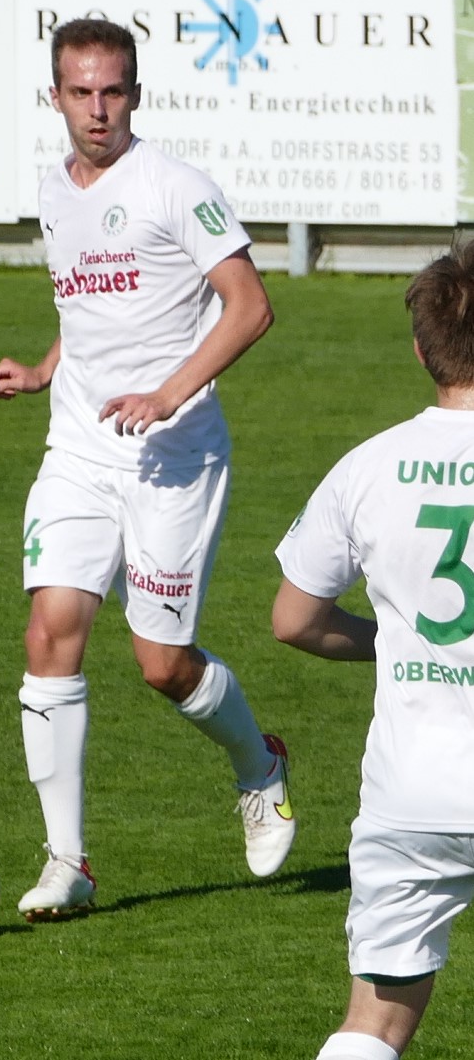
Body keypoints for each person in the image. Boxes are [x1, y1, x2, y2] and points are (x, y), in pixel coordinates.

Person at [0, 17, 296, 921]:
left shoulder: (175, 187)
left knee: (161, 663)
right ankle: (68, 862)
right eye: (81, 92)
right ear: (55, 96)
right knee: (51, 629)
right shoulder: (54, 189)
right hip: (79, 449)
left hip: (173, 455)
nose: (98, 109)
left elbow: (250, 306)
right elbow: (84, 308)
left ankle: (259, 765)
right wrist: (44, 371)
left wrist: (167, 394)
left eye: (113, 91)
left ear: (136, 95)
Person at [272, 243, 474, 1059]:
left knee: (373, 1025)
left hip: (410, 794)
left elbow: (294, 618)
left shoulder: (368, 466)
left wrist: (393, 638)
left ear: (421, 350)